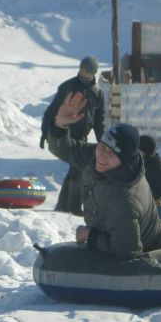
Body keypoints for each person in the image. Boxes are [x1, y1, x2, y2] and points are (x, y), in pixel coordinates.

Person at [48, 93, 161, 259]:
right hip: (111, 233)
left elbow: (128, 251)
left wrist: (90, 235)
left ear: (124, 160)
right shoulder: (97, 156)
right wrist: (60, 124)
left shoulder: (124, 200)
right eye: (102, 146)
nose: (102, 155)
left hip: (147, 259)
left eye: (111, 152)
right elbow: (65, 149)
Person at [40, 55, 105, 215]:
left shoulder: (97, 93)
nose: (83, 73)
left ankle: (63, 207)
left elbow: (99, 121)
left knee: (76, 171)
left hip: (81, 138)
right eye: (82, 70)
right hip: (65, 135)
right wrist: (45, 133)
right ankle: (72, 208)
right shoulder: (68, 86)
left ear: (93, 73)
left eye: (87, 71)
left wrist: (103, 142)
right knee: (80, 170)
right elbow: (51, 112)